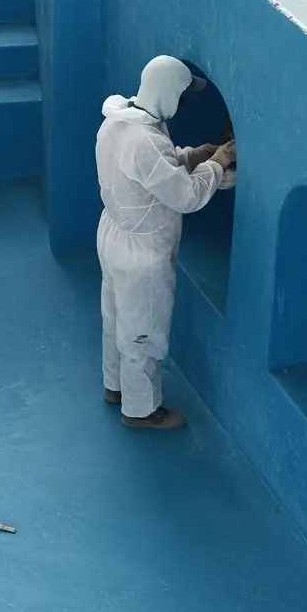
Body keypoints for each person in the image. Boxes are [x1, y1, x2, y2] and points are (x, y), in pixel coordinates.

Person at [95, 55, 236, 429]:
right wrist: (218, 163)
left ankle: (115, 386)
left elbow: (149, 172)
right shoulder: (144, 140)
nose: (183, 102)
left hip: (113, 235)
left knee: (116, 318)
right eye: (182, 95)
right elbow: (185, 196)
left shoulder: (120, 121)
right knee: (142, 332)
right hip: (141, 253)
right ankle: (140, 411)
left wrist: (192, 156)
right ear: (168, 93)